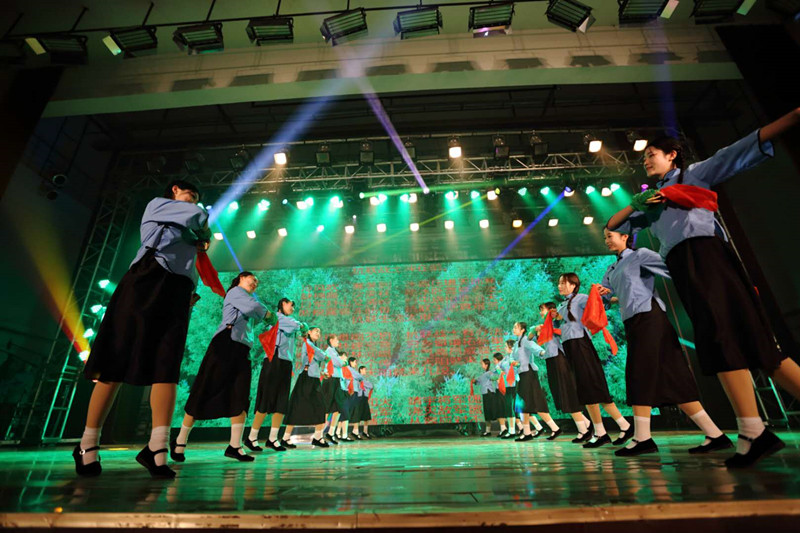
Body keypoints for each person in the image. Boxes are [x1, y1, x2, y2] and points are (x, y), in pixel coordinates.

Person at [606, 107, 800, 467]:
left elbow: (738, 150)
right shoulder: (653, 200)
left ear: (672, 155)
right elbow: (612, 224)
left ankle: (752, 432)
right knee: (747, 346)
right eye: (644, 157)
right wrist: (636, 203)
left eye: (652, 154)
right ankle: (752, 431)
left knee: (731, 341)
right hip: (686, 267)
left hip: (707, 258)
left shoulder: (693, 174)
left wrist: (792, 117)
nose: (645, 161)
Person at [75, 180, 209, 479]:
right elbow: (200, 217)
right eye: (190, 194)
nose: (194, 201)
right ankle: (87, 444)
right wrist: (203, 228)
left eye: (196, 198)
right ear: (174, 189)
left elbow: (192, 259)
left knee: (167, 367)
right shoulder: (159, 205)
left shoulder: (191, 231)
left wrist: (189, 292)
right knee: (114, 361)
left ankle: (157, 448)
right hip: (145, 280)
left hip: (177, 290)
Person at [599, 227, 731, 456]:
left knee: (639, 373)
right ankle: (715, 435)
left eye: (610, 236)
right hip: (633, 322)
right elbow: (608, 297)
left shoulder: (640, 255)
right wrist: (604, 294)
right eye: (605, 238)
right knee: (674, 377)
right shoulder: (611, 269)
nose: (607, 241)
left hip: (650, 318)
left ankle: (642, 438)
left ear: (625, 236)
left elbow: (673, 268)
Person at [172, 272, 272, 463]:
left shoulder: (248, 299)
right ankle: (180, 440)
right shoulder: (235, 292)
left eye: (257, 283)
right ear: (241, 278)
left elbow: (256, 314)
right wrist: (268, 314)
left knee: (241, 395)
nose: (255, 283)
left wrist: (264, 315)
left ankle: (235, 445)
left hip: (242, 350)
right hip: (224, 345)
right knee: (205, 389)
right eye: (252, 279)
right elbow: (255, 309)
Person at [556, 273, 632, 448]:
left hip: (581, 346)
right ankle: (606, 431)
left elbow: (601, 304)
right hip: (570, 348)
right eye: (559, 283)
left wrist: (616, 297)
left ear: (573, 285)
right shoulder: (562, 305)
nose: (560, 286)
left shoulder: (582, 298)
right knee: (586, 391)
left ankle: (619, 427)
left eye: (563, 283)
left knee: (594, 387)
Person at [248, 298, 307, 452]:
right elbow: (297, 326)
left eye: (294, 306)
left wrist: (302, 327)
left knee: (282, 401)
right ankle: (252, 437)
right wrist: (302, 326)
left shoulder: (287, 320)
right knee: (266, 399)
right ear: (282, 304)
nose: (293, 308)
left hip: (285, 362)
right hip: (273, 360)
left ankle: (273, 439)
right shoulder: (278, 318)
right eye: (291, 305)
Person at [535, 303, 591, 441]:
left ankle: (583, 430)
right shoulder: (545, 325)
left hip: (559, 359)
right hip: (551, 359)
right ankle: (586, 424)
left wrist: (550, 329)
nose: (541, 313)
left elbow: (565, 332)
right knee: (562, 395)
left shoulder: (557, 321)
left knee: (567, 393)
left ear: (551, 310)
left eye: (542, 310)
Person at [510, 322, 561, 441]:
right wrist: (513, 362)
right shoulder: (517, 343)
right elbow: (512, 357)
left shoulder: (526, 340)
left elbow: (537, 350)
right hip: (522, 375)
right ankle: (527, 432)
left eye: (516, 327)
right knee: (523, 405)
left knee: (536, 403)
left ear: (523, 330)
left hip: (529, 374)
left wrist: (544, 353)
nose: (513, 329)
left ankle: (555, 428)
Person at [284, 326, 330, 448]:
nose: (318, 333)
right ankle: (286, 437)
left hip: (313, 378)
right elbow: (322, 356)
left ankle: (318, 437)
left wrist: (321, 372)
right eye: (316, 331)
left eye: (319, 332)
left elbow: (315, 360)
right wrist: (325, 356)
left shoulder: (312, 345)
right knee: (296, 406)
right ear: (309, 332)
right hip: (306, 378)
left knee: (320, 407)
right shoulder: (308, 344)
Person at [322, 335, 348, 444]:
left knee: (338, 408)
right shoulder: (330, 351)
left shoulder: (334, 352)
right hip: (331, 380)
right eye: (336, 340)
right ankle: (319, 433)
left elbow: (341, 363)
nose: (338, 341)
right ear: (331, 340)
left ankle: (331, 433)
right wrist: (343, 362)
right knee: (327, 408)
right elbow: (339, 363)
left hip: (336, 381)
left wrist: (342, 362)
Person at [474, 358, 501, 436]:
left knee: (493, 412)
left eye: (482, 364)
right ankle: (488, 431)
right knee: (487, 413)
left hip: (489, 394)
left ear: (486, 365)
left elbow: (494, 377)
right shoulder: (483, 374)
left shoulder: (489, 373)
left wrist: (498, 373)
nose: (481, 365)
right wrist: (474, 381)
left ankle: (503, 429)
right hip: (485, 394)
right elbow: (478, 382)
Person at [358, 365, 374, 438]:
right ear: (361, 370)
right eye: (364, 369)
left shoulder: (363, 379)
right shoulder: (359, 378)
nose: (365, 371)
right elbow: (368, 385)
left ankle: (365, 431)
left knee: (366, 416)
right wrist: (367, 384)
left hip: (364, 398)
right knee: (358, 416)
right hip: (359, 398)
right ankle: (356, 432)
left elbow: (371, 386)